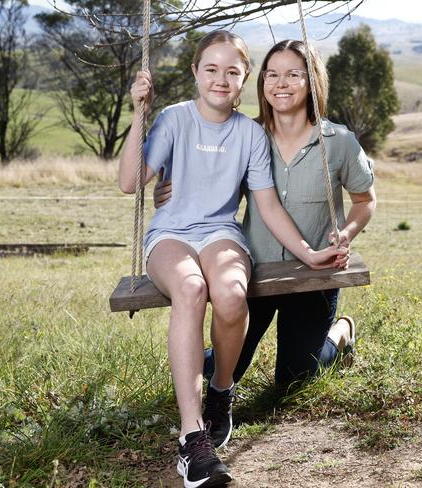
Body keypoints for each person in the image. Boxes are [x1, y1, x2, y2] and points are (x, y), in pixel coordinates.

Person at [118, 31, 347, 488]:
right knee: (190, 287)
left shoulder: (249, 135)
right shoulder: (172, 119)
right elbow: (130, 182)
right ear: (195, 73)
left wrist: (308, 252)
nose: (220, 79)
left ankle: (220, 392)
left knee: (229, 293)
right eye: (211, 69)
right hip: (170, 236)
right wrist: (138, 113)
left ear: (244, 79)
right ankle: (192, 438)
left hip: (222, 233)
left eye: (232, 71)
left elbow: (267, 205)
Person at [154, 39, 376, 392]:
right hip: (254, 271)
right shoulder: (247, 136)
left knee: (294, 381)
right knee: (221, 370)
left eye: (292, 75)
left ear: (313, 81)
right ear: (261, 84)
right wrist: (166, 191)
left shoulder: (339, 142)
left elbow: (365, 201)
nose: (280, 84)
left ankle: (339, 335)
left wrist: (347, 231)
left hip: (313, 273)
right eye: (271, 75)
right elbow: (213, 191)